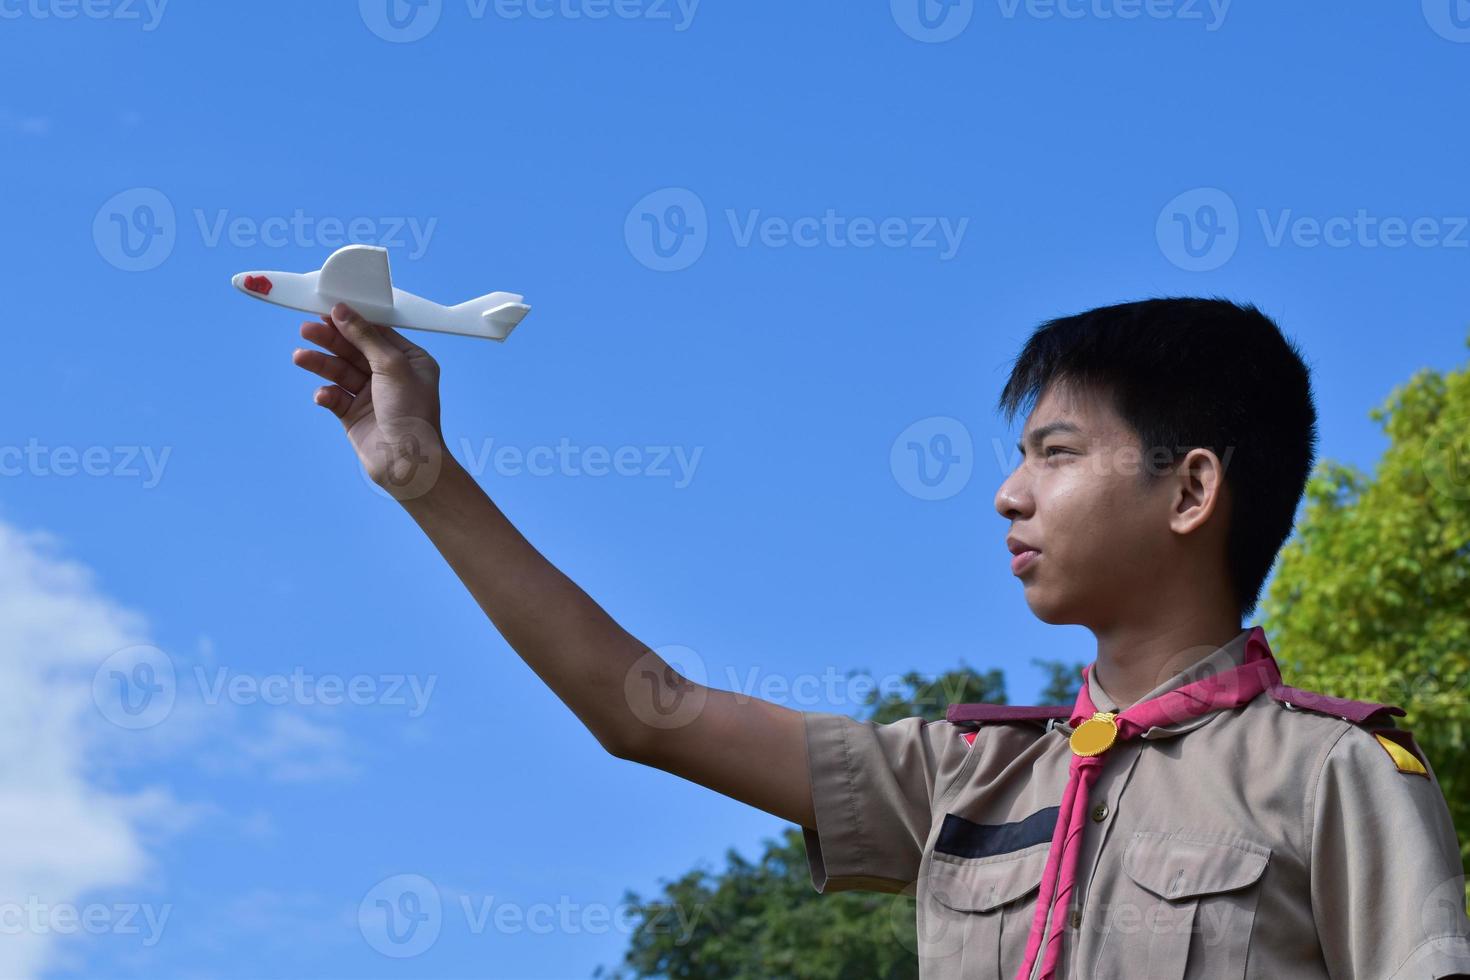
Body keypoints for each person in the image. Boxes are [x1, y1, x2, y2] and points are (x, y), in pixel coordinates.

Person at [288, 296, 1470, 978]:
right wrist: (425, 477)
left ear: (1190, 488)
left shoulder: (1337, 774)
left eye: (1054, 453)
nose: (1009, 493)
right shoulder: (967, 775)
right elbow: (642, 708)